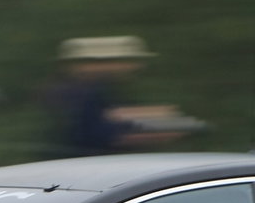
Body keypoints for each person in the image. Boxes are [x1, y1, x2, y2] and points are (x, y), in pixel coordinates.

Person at [44, 36, 198, 158]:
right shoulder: (83, 94)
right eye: (127, 61)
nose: (135, 67)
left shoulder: (97, 91)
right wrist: (149, 131)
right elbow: (96, 135)